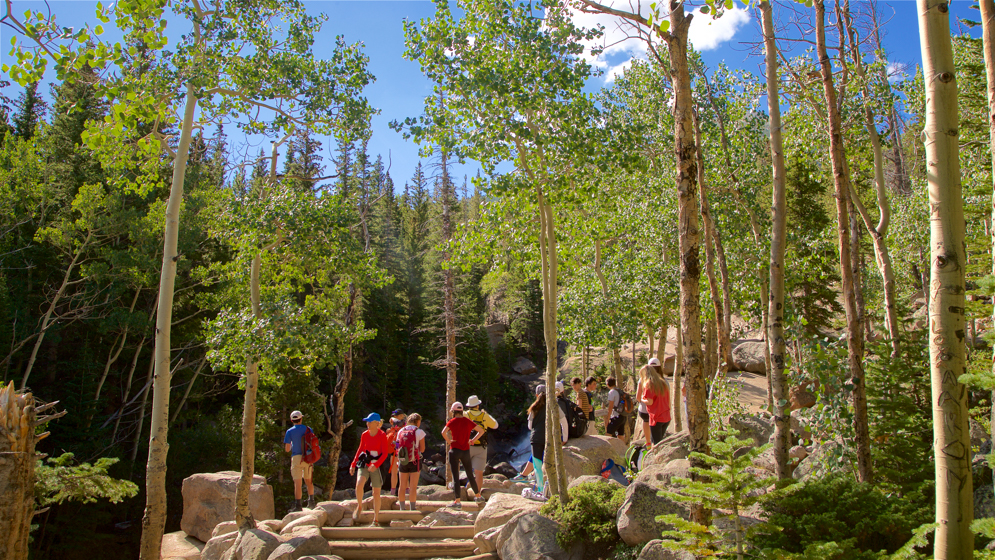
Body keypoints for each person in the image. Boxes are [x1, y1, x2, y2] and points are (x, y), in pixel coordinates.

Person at [526, 385, 568, 495]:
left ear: (536, 395)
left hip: (536, 439)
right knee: (550, 464)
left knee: (537, 466)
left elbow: (530, 426)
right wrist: (565, 438)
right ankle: (552, 489)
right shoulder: (554, 405)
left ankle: (540, 490)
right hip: (550, 438)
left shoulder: (534, 407)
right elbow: (564, 422)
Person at [442, 402, 486, 508]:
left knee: (456, 477)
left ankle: (457, 502)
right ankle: (478, 496)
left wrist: (449, 441)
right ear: (462, 411)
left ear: (453, 411)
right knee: (470, 475)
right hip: (466, 450)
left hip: (454, 450)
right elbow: (481, 431)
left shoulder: (452, 421)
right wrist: (472, 441)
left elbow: (443, 432)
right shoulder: (467, 421)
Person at [350, 412, 390, 524]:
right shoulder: (364, 434)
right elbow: (360, 449)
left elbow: (385, 453)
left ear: (376, 423)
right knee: (359, 484)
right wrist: (353, 464)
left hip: (376, 466)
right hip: (365, 463)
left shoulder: (382, 435)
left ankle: (375, 519)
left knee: (376, 493)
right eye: (367, 421)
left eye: (370, 421)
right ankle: (359, 506)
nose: (367, 423)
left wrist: (376, 465)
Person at [464, 395, 498, 495]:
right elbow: (496, 425)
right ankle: (477, 494)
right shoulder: (484, 416)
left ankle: (463, 492)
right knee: (479, 472)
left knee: (467, 469)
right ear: (478, 405)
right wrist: (487, 414)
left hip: (467, 445)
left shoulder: (465, 415)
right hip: (481, 446)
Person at [283, 410, 315, 511]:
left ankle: (298, 505)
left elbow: (287, 449)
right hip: (308, 458)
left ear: (292, 420)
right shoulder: (309, 429)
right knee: (309, 481)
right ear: (301, 419)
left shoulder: (289, 431)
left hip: (296, 458)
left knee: (297, 483)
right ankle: (311, 502)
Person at [395, 413, 426, 511]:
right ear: (418, 421)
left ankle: (402, 508)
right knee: (413, 486)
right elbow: (423, 449)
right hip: (415, 461)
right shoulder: (419, 431)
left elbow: (397, 447)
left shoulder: (400, 431)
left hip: (403, 461)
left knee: (402, 485)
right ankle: (412, 508)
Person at [639, 359, 672, 445]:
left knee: (656, 444)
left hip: (656, 418)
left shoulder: (649, 384)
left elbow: (649, 402)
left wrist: (642, 398)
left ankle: (655, 457)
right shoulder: (663, 382)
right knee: (660, 441)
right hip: (666, 416)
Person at [386, 409, 406, 496]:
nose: (395, 417)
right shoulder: (394, 426)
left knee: (404, 472)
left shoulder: (405, 424)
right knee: (394, 471)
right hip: (394, 451)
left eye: (397, 415)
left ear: (402, 415)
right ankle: (393, 491)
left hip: (403, 451)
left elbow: (400, 424)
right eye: (394, 416)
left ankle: (406, 491)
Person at [605, 377, 629, 444]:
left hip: (616, 416)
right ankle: (623, 451)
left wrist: (608, 418)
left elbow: (610, 406)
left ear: (607, 384)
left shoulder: (612, 392)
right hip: (623, 416)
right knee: (620, 435)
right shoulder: (620, 391)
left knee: (608, 433)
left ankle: (606, 450)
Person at [635, 367, 653, 449]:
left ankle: (648, 442)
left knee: (646, 422)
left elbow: (638, 397)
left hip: (644, 408)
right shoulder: (655, 380)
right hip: (654, 408)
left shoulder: (641, 381)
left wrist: (642, 400)